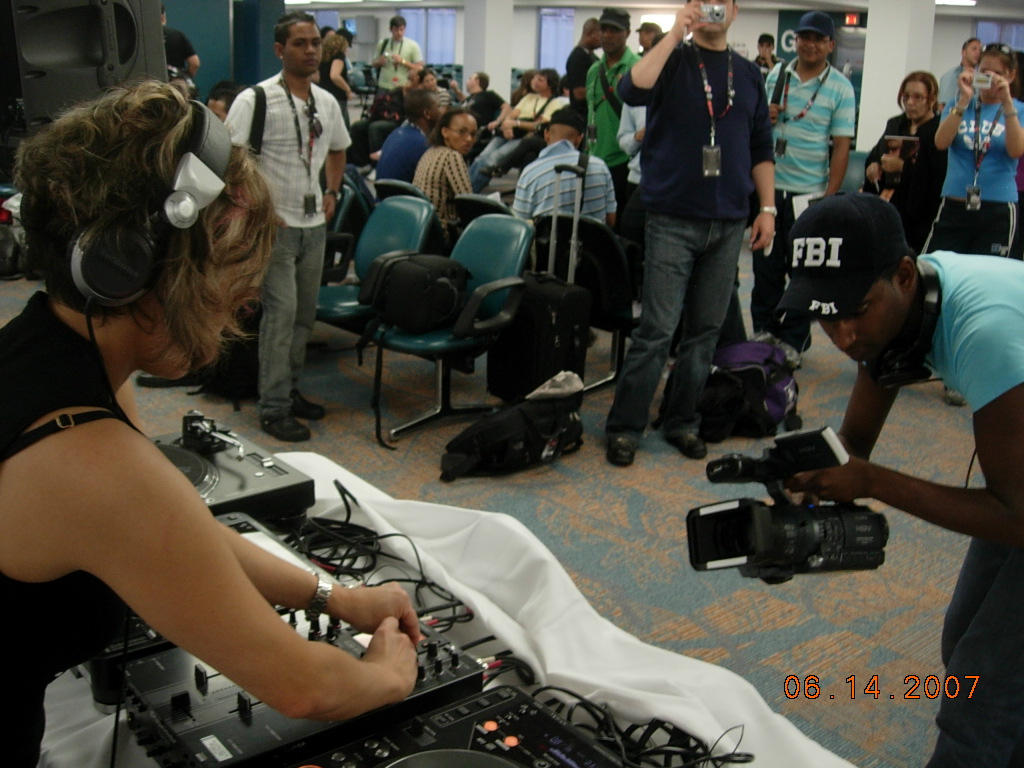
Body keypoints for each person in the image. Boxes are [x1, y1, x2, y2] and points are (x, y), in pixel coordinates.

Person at [1, 79, 420, 768]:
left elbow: (187, 536)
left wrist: (336, 597)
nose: (243, 300)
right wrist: (391, 673)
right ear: (125, 266)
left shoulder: (47, 350)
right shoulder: (90, 456)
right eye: (230, 270)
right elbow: (303, 685)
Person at [778, 192, 1024, 768]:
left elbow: (1017, 516)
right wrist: (794, 503)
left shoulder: (985, 331)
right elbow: (853, 448)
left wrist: (873, 482)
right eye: (823, 314)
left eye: (852, 311)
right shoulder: (891, 313)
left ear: (905, 276)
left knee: (983, 694)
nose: (840, 336)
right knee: (965, 638)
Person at [604, 0, 775, 467]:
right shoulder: (670, 59)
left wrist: (767, 208)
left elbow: (761, 146)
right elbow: (631, 89)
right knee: (657, 330)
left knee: (705, 332)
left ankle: (681, 420)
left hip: (729, 222)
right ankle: (625, 425)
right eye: (704, 3)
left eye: (723, 3)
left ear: (736, 11)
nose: (715, 10)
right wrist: (676, 30)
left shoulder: (749, 73)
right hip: (673, 216)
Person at [226, 12, 349, 442]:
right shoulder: (254, 100)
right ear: (280, 50)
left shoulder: (327, 102)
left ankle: (291, 390)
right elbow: (232, 164)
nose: (311, 49)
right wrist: (257, 209)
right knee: (280, 316)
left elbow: (337, 150)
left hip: (313, 225)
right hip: (273, 228)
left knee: (303, 316)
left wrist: (332, 192)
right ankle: (273, 406)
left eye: (315, 41)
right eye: (300, 43)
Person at [750, 10, 856, 368]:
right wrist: (767, 116)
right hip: (768, 190)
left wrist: (829, 198)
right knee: (764, 267)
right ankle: (764, 329)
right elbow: (757, 125)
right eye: (804, 37)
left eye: (818, 39)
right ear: (796, 41)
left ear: (830, 44)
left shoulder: (841, 87)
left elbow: (841, 146)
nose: (809, 45)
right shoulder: (778, 74)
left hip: (808, 194)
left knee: (803, 273)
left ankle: (794, 338)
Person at [926, 43, 1023, 258]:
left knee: (989, 277)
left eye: (998, 73)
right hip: (955, 203)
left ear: (1011, 75)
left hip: (997, 208)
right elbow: (941, 142)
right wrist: (963, 99)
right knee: (935, 268)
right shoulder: (957, 104)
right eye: (985, 71)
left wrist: (1007, 103)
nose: (991, 78)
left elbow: (1016, 150)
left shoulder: (1019, 110)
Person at [863, 71, 947, 254]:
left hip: (920, 213)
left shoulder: (938, 131)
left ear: (931, 99)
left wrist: (904, 168)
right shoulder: (895, 124)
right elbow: (877, 153)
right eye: (906, 96)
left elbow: (936, 176)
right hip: (890, 206)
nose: (910, 102)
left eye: (918, 97)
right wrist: (874, 165)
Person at [511, 107, 617, 227]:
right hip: (592, 244)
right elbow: (610, 220)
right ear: (579, 139)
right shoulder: (601, 167)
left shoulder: (531, 172)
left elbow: (519, 224)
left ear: (546, 134)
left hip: (549, 244)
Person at [586, 7, 641, 225]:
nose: (607, 35)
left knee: (619, 227)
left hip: (623, 161)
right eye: (604, 29)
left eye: (614, 30)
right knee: (593, 225)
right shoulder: (593, 70)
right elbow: (591, 113)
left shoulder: (638, 67)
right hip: (594, 159)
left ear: (627, 33)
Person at [468, 68, 565, 193]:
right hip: (508, 132)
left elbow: (538, 125)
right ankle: (464, 188)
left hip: (524, 137)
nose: (535, 82)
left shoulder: (554, 103)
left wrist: (516, 123)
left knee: (493, 159)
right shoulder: (529, 97)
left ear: (550, 84)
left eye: (540, 80)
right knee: (480, 158)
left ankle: (471, 192)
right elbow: (512, 114)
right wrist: (508, 126)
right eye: (535, 78)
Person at [413, 107, 477, 242]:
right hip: (442, 235)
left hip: (421, 228)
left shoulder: (431, 152)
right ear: (445, 132)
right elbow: (470, 205)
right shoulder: (452, 156)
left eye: (473, 134)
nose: (469, 139)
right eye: (462, 132)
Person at [375, 89, 441, 184]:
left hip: (386, 197)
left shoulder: (397, 133)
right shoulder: (423, 145)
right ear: (427, 113)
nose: (442, 111)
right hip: (403, 197)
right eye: (438, 107)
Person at [372, 15, 423, 90]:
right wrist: (379, 62)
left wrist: (403, 61)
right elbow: (373, 64)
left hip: (403, 85)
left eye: (401, 30)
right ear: (390, 29)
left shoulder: (413, 45)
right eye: (396, 30)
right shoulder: (382, 43)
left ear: (405, 29)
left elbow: (420, 68)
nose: (399, 33)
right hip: (383, 85)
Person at [565, 18, 601, 118]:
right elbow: (579, 93)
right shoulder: (578, 56)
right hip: (582, 115)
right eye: (599, 34)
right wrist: (602, 94)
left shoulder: (593, 57)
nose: (602, 39)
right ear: (590, 34)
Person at [161, 2, 199, 92]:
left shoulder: (142, 38)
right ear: (163, 17)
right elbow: (195, 63)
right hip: (176, 88)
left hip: (149, 88)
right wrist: (183, 76)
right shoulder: (177, 35)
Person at [319, 32, 354, 129]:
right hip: (337, 96)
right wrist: (348, 90)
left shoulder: (323, 57)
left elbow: (316, 77)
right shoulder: (339, 56)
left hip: (323, 94)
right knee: (341, 127)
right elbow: (334, 76)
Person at [938, 37, 982, 110]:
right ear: (963, 52)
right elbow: (943, 107)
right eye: (974, 49)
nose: (978, 52)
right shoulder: (951, 76)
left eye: (980, 50)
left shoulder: (980, 78)